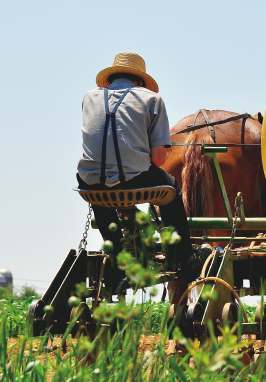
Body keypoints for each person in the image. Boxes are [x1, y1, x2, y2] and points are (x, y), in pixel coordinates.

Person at [77, 51, 209, 281]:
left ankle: (117, 255)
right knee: (171, 188)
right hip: (135, 180)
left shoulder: (89, 97)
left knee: (98, 189)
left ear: (110, 80)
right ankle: (186, 257)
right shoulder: (151, 100)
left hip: (88, 180)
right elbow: (158, 160)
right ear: (139, 81)